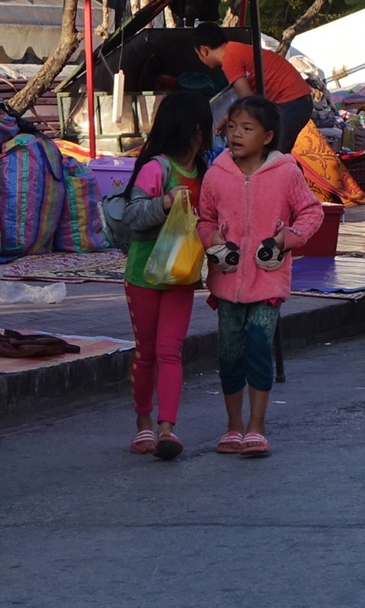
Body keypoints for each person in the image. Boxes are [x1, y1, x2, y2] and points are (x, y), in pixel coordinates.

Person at [195, 96, 323, 459]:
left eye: (246, 129)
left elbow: (311, 213)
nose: (236, 134)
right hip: (227, 280)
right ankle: (234, 426)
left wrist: (285, 240)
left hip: (269, 280)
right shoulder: (217, 173)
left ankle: (257, 426)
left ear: (267, 136)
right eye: (232, 127)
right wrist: (213, 240)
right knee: (229, 352)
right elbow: (203, 218)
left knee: (257, 347)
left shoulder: (286, 172)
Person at [112, 91, 211, 459]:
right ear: (193, 128)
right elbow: (134, 217)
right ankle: (143, 424)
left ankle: (166, 428)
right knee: (148, 352)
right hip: (144, 274)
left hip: (181, 276)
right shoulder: (158, 168)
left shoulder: (205, 171)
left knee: (170, 350)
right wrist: (165, 203)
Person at [191, 24, 317, 152]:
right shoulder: (235, 49)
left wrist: (232, 125)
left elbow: (247, 101)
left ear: (203, 50)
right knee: (277, 155)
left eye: (197, 54)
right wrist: (228, 118)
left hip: (291, 102)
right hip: (298, 101)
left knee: (269, 155)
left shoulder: (229, 59)